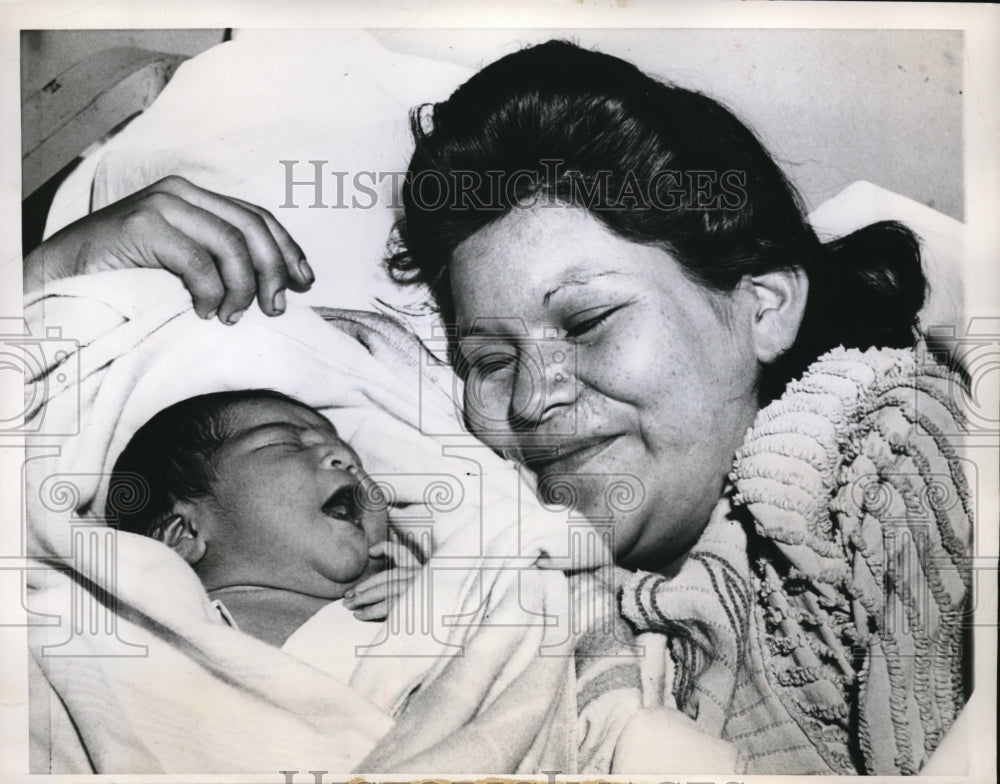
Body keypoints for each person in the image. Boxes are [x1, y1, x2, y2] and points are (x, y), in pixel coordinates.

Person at [24, 40, 971, 775]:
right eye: (488, 356)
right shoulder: (490, 552)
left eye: (590, 320)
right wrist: (51, 279)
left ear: (762, 305)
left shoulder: (880, 454)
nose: (532, 395)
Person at [107, 389, 420, 654]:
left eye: (357, 460)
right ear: (185, 533)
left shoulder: (414, 601)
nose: (345, 459)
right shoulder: (155, 628)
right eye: (286, 444)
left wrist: (438, 605)